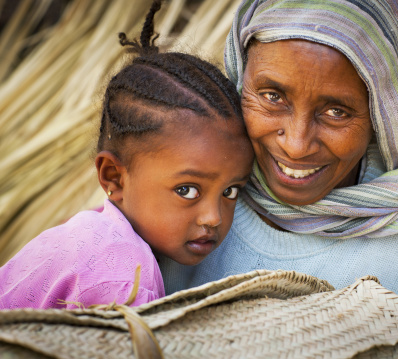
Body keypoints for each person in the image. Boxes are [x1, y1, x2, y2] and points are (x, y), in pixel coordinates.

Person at [156, 0, 398, 353]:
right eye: (272, 96)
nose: (296, 145)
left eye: (336, 111)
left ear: (383, 114)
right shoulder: (179, 197)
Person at [0, 1, 253, 310]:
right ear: (114, 177)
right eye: (187, 190)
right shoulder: (125, 282)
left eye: (230, 191)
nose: (213, 217)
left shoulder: (88, 228)